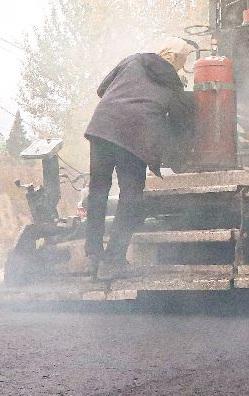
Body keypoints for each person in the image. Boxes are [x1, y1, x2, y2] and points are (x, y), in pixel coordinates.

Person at [83, 37, 195, 278]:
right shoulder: (174, 85)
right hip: (136, 136)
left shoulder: (134, 60)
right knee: (130, 196)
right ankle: (113, 260)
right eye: (185, 60)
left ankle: (92, 256)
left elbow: (102, 89)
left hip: (102, 127)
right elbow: (178, 123)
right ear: (177, 59)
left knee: (98, 191)